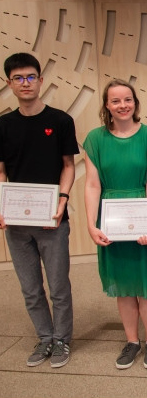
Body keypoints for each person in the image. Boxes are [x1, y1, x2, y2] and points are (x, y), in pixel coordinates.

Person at [83, 79, 147, 370]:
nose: (122, 105)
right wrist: (91, 225)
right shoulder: (94, 139)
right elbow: (93, 185)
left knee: (146, 285)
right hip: (111, 219)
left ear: (135, 102)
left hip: (144, 214)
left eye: (127, 99)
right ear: (107, 105)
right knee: (122, 286)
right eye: (116, 101)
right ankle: (132, 341)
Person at [0, 53, 78, 368]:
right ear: (9, 84)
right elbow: (1, 171)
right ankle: (44, 338)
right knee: (30, 288)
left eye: (31, 76)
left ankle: (62, 340)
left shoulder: (60, 121)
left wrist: (61, 203)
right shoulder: (3, 125)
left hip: (53, 219)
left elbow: (68, 166)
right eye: (18, 78)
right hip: (16, 223)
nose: (25, 83)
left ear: (40, 80)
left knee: (58, 285)